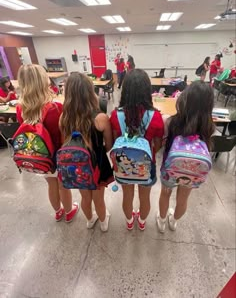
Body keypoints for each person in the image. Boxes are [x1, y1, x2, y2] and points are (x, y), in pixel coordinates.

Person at [16, 64, 78, 222]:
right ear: (43, 81)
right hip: (58, 155)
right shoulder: (56, 107)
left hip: (39, 155)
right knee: (63, 184)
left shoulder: (20, 108)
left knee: (51, 183)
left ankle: (58, 212)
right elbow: (65, 134)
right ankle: (69, 212)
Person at [157, 81, 215, 232]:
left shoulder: (171, 121)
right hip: (193, 171)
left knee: (165, 194)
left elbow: (163, 142)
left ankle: (162, 221)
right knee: (183, 199)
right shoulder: (209, 126)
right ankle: (174, 221)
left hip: (170, 168)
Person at [110, 69, 164, 230]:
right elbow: (159, 144)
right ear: (147, 91)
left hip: (122, 164)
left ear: (125, 90)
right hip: (146, 164)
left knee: (127, 195)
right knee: (145, 196)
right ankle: (141, 222)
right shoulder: (155, 116)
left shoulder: (115, 115)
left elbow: (114, 141)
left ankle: (128, 221)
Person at [59, 72, 114, 232]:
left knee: (84, 197)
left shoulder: (63, 118)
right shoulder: (101, 118)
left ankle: (90, 220)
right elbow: (109, 145)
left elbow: (65, 143)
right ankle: (104, 222)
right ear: (90, 92)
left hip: (77, 166)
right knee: (98, 198)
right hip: (97, 165)